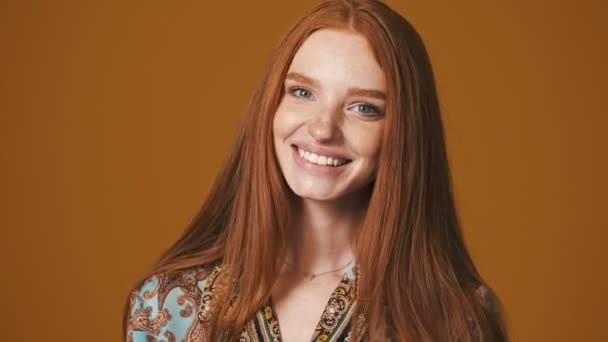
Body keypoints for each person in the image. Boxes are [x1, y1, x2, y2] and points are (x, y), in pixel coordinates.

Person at [123, 0, 508, 341]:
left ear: (404, 133)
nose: (323, 128)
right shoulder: (167, 305)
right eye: (302, 92)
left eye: (364, 107)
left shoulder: (454, 320)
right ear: (271, 105)